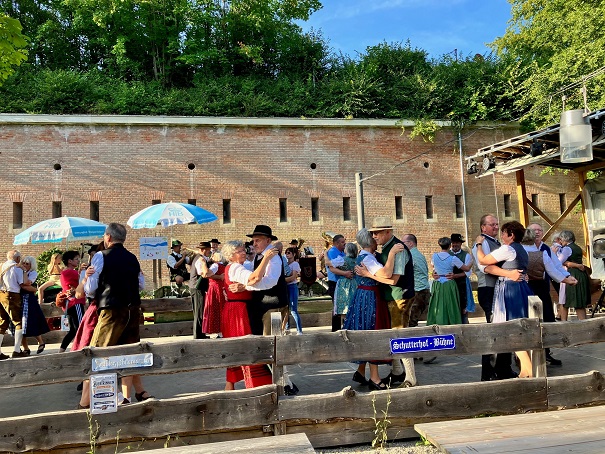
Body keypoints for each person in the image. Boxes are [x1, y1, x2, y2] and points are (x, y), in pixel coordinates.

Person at [79, 223, 150, 409]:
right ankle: (127, 396)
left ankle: (90, 401)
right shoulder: (133, 258)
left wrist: (86, 279)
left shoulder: (101, 257)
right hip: (132, 310)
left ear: (108, 237)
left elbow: (91, 289)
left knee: (98, 353)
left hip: (111, 310)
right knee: (129, 353)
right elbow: (141, 285)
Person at [346, 228, 404, 391]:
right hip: (369, 298)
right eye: (373, 236)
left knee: (365, 330)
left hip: (363, 296)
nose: (375, 238)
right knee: (372, 332)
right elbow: (385, 274)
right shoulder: (368, 259)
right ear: (369, 241)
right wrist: (392, 253)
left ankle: (360, 371)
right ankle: (375, 377)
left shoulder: (366, 256)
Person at [475, 221, 534, 378]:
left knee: (512, 328)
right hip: (521, 287)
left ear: (511, 235)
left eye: (504, 232)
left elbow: (483, 260)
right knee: (521, 327)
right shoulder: (523, 250)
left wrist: (478, 245)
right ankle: (525, 370)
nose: (501, 235)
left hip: (510, 289)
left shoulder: (508, 249)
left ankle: (528, 369)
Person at [220, 240, 279, 390]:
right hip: (238, 312)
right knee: (247, 346)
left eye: (243, 250)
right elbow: (254, 278)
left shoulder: (236, 266)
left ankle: (231, 386)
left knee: (237, 347)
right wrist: (266, 259)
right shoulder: (235, 267)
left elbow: (250, 280)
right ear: (231, 255)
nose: (244, 252)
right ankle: (255, 387)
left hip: (234, 309)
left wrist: (244, 286)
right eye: (240, 251)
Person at [367, 216, 416, 388]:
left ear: (388, 232)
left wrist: (369, 274)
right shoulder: (389, 247)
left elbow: (393, 280)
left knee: (400, 335)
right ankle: (397, 371)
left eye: (377, 233)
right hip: (392, 297)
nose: (374, 236)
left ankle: (410, 377)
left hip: (399, 297)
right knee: (392, 334)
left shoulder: (398, 249)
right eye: (373, 233)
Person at [472, 214, 516, 381]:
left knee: (504, 329)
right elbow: (485, 267)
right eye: (492, 225)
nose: (496, 227)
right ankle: (489, 373)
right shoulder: (481, 243)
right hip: (489, 289)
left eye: (497, 224)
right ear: (483, 227)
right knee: (494, 330)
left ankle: (504, 368)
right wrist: (509, 274)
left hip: (500, 289)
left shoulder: (497, 243)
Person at [527, 224, 576, 365]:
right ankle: (525, 357)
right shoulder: (523, 248)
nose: (537, 232)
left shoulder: (546, 248)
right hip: (527, 287)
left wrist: (567, 276)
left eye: (539, 230)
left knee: (547, 318)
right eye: (534, 230)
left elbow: (556, 266)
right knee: (528, 320)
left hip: (542, 286)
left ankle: (546, 353)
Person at [244, 225, 290, 336]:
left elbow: (271, 281)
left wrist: (248, 286)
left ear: (268, 240)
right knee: (263, 339)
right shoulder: (258, 256)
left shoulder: (273, 256)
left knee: (273, 339)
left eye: (257, 240)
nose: (254, 244)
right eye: (253, 240)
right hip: (263, 305)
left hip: (274, 306)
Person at [427, 237, 472, 325]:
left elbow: (434, 267)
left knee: (438, 304)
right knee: (451, 305)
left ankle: (437, 322)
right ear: (449, 246)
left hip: (438, 283)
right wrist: (471, 262)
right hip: (449, 282)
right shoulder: (453, 258)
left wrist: (435, 273)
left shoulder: (434, 256)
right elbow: (466, 269)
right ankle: (452, 322)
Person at [556, 230, 590, 321]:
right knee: (579, 302)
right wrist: (570, 263)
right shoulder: (577, 247)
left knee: (575, 301)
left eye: (561, 239)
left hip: (572, 274)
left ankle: (567, 323)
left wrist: (567, 263)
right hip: (580, 274)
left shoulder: (567, 249)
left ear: (565, 239)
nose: (561, 242)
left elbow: (558, 262)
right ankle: (584, 323)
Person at [18, 256, 49, 355]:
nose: (25, 265)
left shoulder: (32, 273)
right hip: (19, 299)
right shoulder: (20, 271)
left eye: (27, 264)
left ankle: (40, 341)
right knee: (20, 325)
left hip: (29, 299)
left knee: (31, 322)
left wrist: (24, 284)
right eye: (24, 263)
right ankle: (26, 348)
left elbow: (27, 283)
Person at [0, 250, 27, 358]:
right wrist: (24, 271)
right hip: (12, 294)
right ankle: (16, 350)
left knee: (2, 323)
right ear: (17, 258)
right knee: (18, 322)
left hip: (1, 294)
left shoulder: (2, 266)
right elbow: (23, 283)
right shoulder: (16, 268)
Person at [58, 250, 86, 353]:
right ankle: (79, 348)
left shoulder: (65, 272)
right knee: (80, 327)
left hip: (69, 303)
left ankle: (62, 350)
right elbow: (81, 281)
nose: (78, 261)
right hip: (75, 302)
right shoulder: (71, 272)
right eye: (76, 259)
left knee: (73, 330)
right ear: (70, 261)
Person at [402, 234, 430, 328]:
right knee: (413, 321)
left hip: (417, 291)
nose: (402, 245)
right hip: (424, 290)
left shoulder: (410, 256)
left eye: (403, 242)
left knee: (410, 322)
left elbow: (404, 273)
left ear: (410, 243)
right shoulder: (420, 255)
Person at [325, 234, 352, 331]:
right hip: (335, 282)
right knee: (337, 308)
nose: (345, 244)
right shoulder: (332, 251)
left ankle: (345, 327)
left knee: (344, 306)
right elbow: (332, 267)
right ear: (336, 243)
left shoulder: (342, 252)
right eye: (342, 242)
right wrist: (345, 273)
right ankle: (335, 330)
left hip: (343, 283)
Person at [449, 233, 475, 323]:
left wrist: (455, 276)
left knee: (463, 307)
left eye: (457, 242)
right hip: (449, 285)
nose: (455, 244)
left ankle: (465, 326)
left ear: (461, 244)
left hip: (462, 284)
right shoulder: (446, 254)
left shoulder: (466, 255)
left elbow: (467, 272)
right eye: (453, 242)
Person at [200, 251, 226, 337]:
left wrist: (203, 263)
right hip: (221, 288)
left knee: (215, 308)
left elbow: (207, 274)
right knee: (220, 308)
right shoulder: (223, 266)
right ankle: (222, 330)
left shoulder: (216, 265)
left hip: (214, 289)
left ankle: (218, 330)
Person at [189, 241, 211, 339]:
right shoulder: (200, 259)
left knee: (200, 311)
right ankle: (198, 335)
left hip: (197, 288)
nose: (209, 252)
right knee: (199, 311)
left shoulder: (201, 258)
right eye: (208, 250)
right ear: (204, 250)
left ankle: (200, 333)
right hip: (197, 288)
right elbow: (203, 273)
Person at [333, 242, 359, 326]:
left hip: (344, 283)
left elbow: (329, 264)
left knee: (344, 306)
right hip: (355, 283)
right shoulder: (357, 260)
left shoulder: (342, 260)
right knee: (353, 305)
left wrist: (325, 254)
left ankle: (345, 325)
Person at [285, 246, 303, 335]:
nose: (287, 254)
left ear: (294, 254)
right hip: (286, 287)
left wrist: (282, 281)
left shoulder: (295, 264)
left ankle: (299, 330)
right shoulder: (285, 264)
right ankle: (287, 328)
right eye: (286, 253)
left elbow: (293, 277)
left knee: (293, 310)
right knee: (286, 309)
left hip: (292, 286)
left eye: (289, 253)